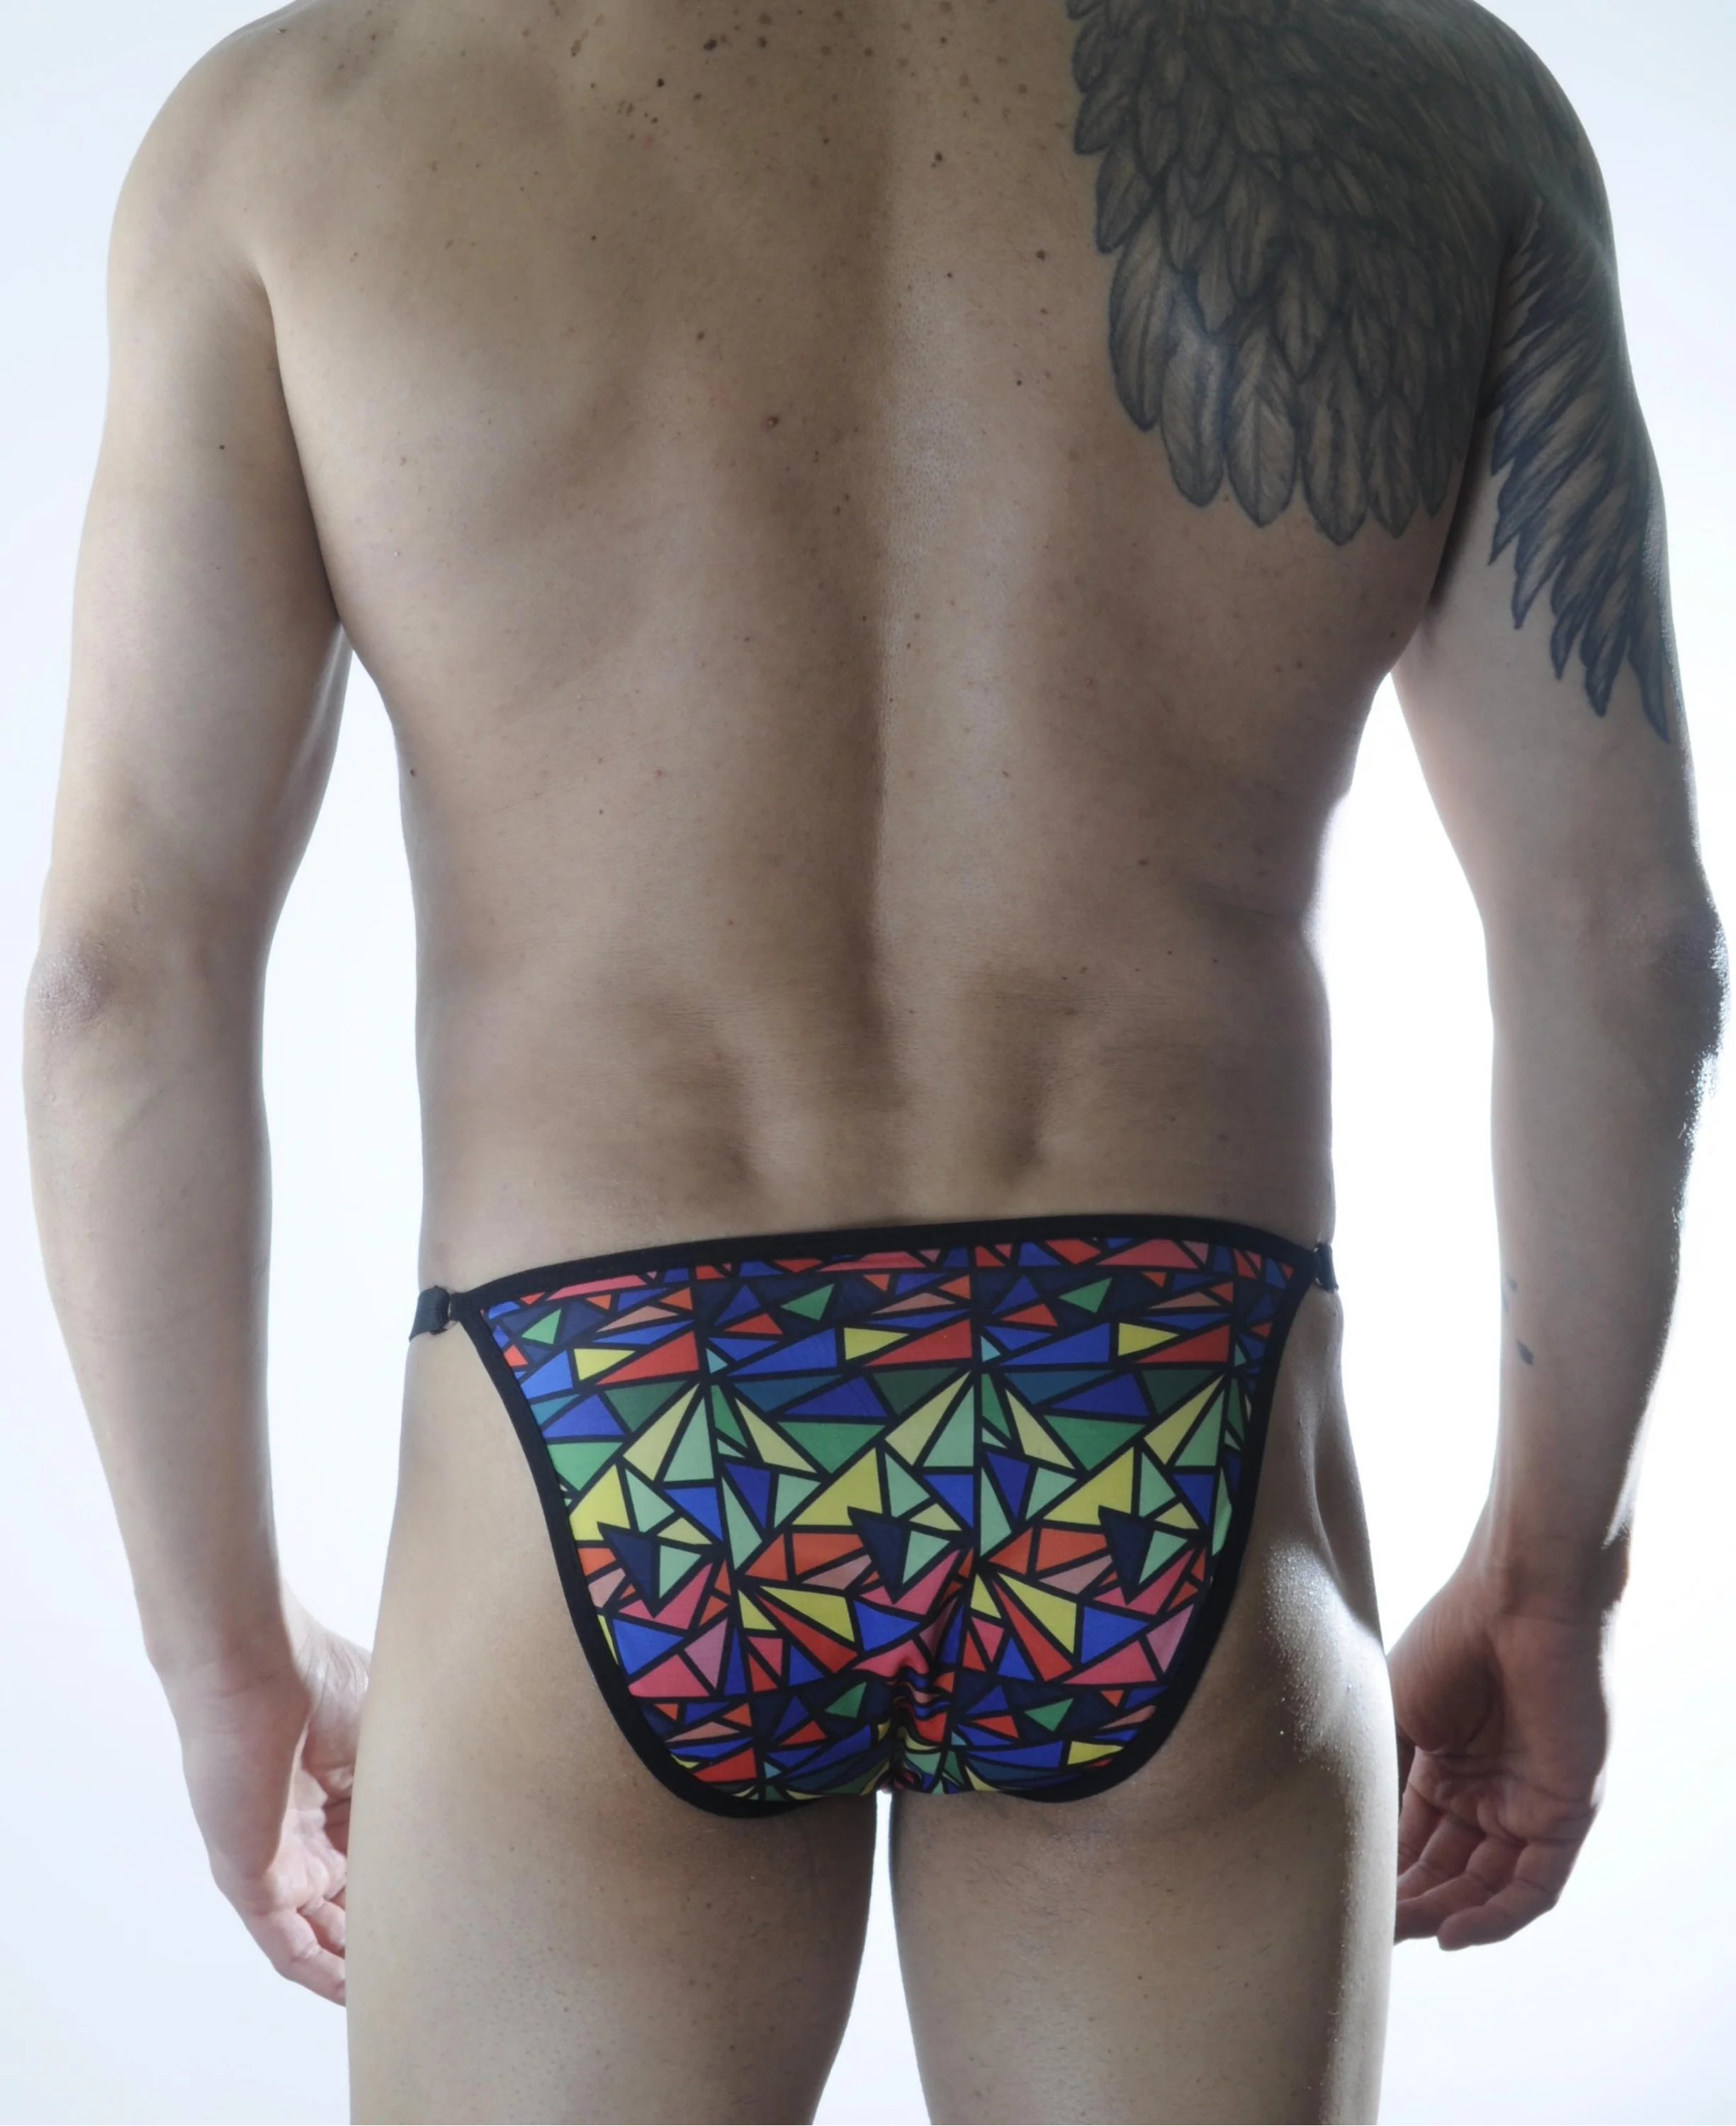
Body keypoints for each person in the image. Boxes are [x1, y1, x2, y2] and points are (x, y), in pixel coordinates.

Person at [23, 0, 1724, 2117]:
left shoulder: (305, 131)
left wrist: (224, 1669)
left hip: (618, 1420)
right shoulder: (1429, 103)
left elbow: (121, 984)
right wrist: (1555, 1586)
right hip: (1150, 1420)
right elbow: (1626, 942)